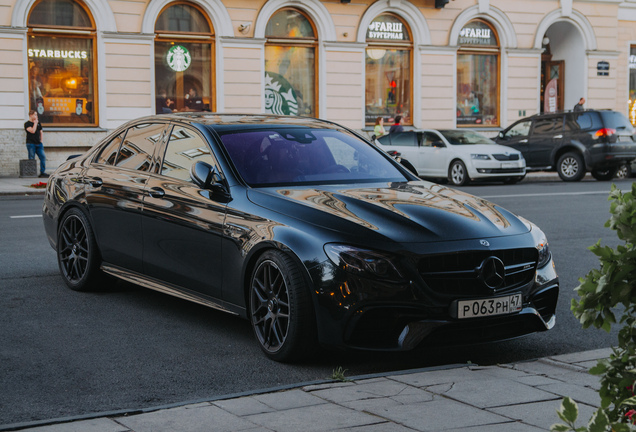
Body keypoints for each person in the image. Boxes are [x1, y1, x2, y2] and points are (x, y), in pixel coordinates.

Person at [24, 110, 47, 178]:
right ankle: (31, 173)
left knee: (43, 157)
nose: (36, 116)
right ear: (31, 115)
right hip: (31, 144)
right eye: (35, 115)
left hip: (39, 144)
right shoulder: (27, 124)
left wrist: (41, 141)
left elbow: (41, 132)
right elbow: (32, 131)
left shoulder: (38, 123)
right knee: (32, 158)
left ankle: (42, 172)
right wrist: (35, 123)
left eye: (36, 115)